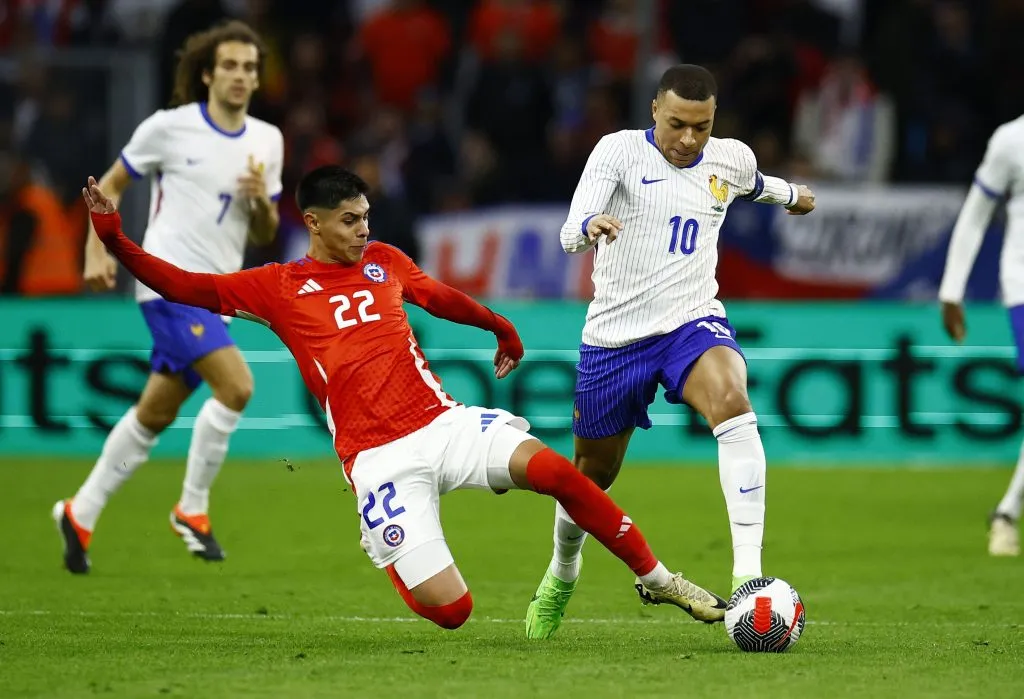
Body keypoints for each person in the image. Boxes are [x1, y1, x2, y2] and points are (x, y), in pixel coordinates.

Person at [80, 165, 729, 629]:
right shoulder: (276, 286)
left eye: (367, 216)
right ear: (312, 222)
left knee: (558, 469)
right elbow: (185, 284)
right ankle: (381, 534)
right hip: (377, 460)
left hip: (443, 424)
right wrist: (114, 240)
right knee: (452, 612)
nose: (365, 228)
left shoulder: (385, 260)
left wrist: (498, 326)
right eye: (350, 219)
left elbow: (437, 296)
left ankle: (659, 579)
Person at [525, 64, 817, 639]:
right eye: (678, 124)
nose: (688, 139)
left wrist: (794, 195)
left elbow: (755, 183)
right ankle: (562, 570)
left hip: (691, 320)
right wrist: (592, 225)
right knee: (591, 476)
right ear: (656, 109)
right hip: (615, 336)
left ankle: (749, 581)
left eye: (702, 127)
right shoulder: (617, 153)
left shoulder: (728, 157)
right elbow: (567, 231)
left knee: (733, 401)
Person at [54, 20, 284, 573]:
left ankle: (78, 512)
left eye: (249, 68)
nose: (240, 76)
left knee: (152, 415)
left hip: (215, 294)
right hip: (166, 283)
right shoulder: (169, 128)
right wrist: (95, 247)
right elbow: (108, 185)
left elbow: (265, 231)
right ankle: (192, 509)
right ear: (207, 73)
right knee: (237, 385)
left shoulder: (266, 140)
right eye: (229, 65)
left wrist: (259, 202)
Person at [938, 114, 1024, 557]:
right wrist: (952, 290)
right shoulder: (1012, 140)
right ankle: (1007, 513)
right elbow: (975, 215)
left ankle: (1007, 511)